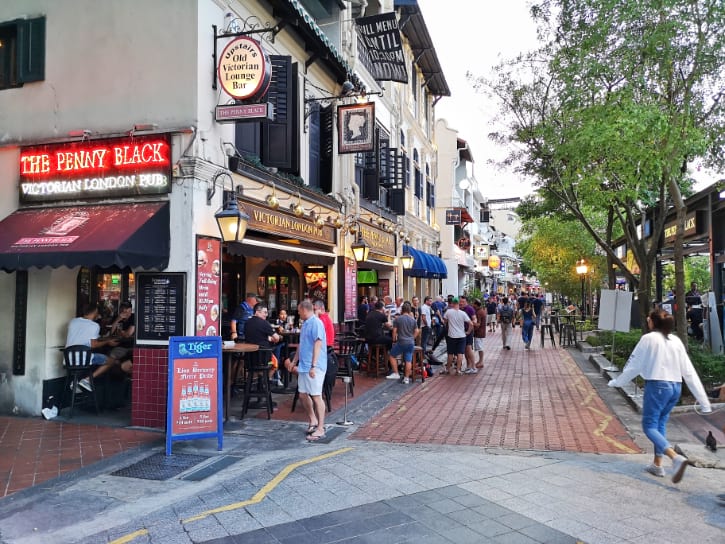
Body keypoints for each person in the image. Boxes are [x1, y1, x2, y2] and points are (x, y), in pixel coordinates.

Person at [608, 308, 712, 483]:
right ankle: (657, 464)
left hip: (657, 386)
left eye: (649, 318)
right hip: (675, 387)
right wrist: (704, 402)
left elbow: (634, 366)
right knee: (660, 423)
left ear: (653, 322)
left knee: (649, 426)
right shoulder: (676, 341)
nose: (647, 320)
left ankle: (675, 457)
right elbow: (689, 372)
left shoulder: (648, 339)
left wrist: (617, 382)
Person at [284, 300, 327, 441]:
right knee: (302, 394)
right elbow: (301, 345)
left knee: (316, 396)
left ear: (304, 310)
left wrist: (313, 365)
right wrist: (294, 361)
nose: (297, 313)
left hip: (314, 366)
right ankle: (313, 420)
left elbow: (318, 343)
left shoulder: (316, 323)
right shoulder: (305, 324)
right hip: (304, 365)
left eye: (299, 311)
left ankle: (320, 428)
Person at [65, 304, 121, 391]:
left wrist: (103, 338)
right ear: (95, 312)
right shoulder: (94, 325)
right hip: (83, 359)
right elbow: (93, 345)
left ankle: (75, 382)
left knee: (83, 361)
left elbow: (83, 335)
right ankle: (86, 380)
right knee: (111, 361)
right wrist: (107, 342)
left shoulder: (73, 321)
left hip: (68, 359)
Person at [243, 303, 282, 385]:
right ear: (257, 312)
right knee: (275, 363)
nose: (266, 315)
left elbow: (255, 336)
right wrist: (273, 339)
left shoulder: (247, 323)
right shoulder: (264, 323)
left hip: (249, 358)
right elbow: (277, 338)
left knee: (258, 367)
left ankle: (260, 380)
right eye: (264, 312)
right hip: (264, 358)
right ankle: (266, 382)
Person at [387, 302, 420, 384]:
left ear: (402, 310)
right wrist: (413, 337)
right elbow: (417, 331)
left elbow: (394, 331)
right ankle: (406, 378)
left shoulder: (398, 319)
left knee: (392, 355)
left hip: (401, 341)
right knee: (408, 360)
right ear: (409, 310)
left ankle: (396, 373)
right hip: (410, 342)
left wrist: (394, 340)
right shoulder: (413, 320)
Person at [442, 297, 472, 376]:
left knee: (450, 353)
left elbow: (444, 322)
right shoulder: (463, 313)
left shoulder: (448, 312)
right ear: (458, 304)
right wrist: (468, 332)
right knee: (460, 353)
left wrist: (448, 324)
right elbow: (471, 324)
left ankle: (448, 369)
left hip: (451, 336)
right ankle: (458, 370)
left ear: (452, 304)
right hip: (462, 336)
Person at [107, 301, 135, 375]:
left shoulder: (133, 317)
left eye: (127, 309)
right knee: (107, 350)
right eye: (123, 308)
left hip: (129, 345)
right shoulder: (117, 317)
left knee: (112, 355)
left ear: (130, 310)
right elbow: (111, 333)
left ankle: (121, 375)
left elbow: (128, 334)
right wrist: (117, 320)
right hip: (118, 343)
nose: (124, 311)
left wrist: (120, 332)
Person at [458, 295, 478, 373]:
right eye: (460, 301)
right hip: (461, 331)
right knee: (465, 349)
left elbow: (474, 319)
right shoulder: (459, 309)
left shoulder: (470, 309)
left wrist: (472, 325)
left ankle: (473, 366)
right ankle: (468, 366)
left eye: (463, 302)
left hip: (468, 331)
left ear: (466, 302)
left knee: (469, 348)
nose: (461, 303)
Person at [473, 299, 487, 369]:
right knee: (479, 347)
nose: (473, 305)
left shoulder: (479, 312)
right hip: (480, 332)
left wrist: (472, 324)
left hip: (479, 332)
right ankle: (480, 361)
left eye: (474, 304)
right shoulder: (481, 311)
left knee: (480, 347)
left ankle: (481, 361)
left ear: (476, 305)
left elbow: (478, 324)